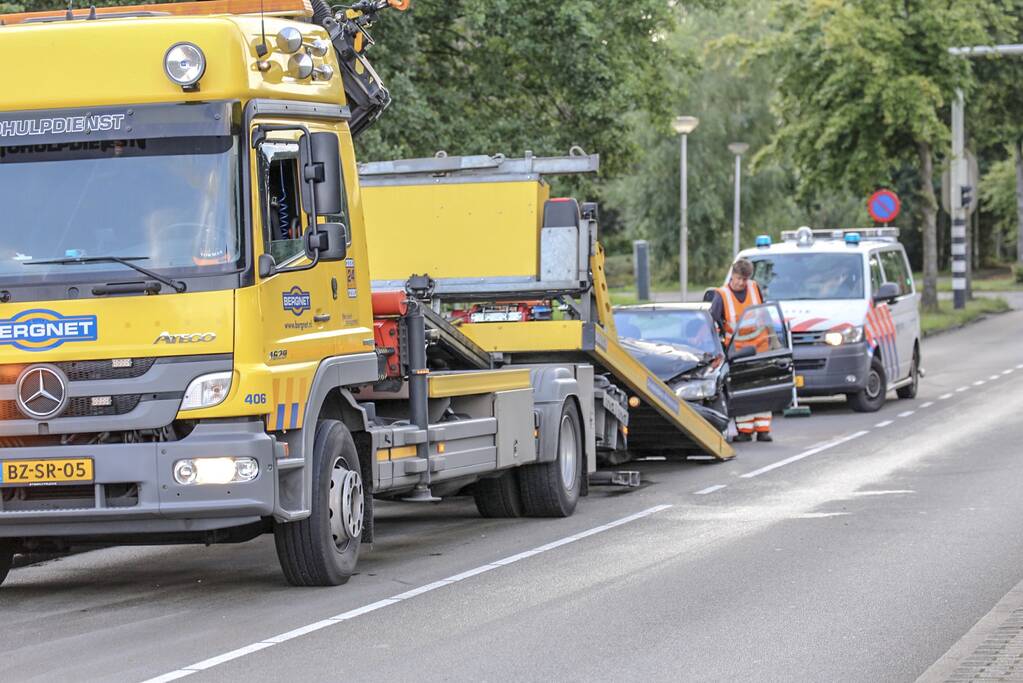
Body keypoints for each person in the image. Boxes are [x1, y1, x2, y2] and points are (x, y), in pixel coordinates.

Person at [708, 258, 773, 443]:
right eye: (738, 278)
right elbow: (714, 323)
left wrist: (773, 341)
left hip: (760, 347)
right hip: (738, 351)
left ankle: (763, 429)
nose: (741, 283)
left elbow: (764, 314)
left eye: (744, 279)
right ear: (732, 275)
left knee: (761, 389)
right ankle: (744, 430)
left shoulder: (754, 288)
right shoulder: (721, 295)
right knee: (743, 389)